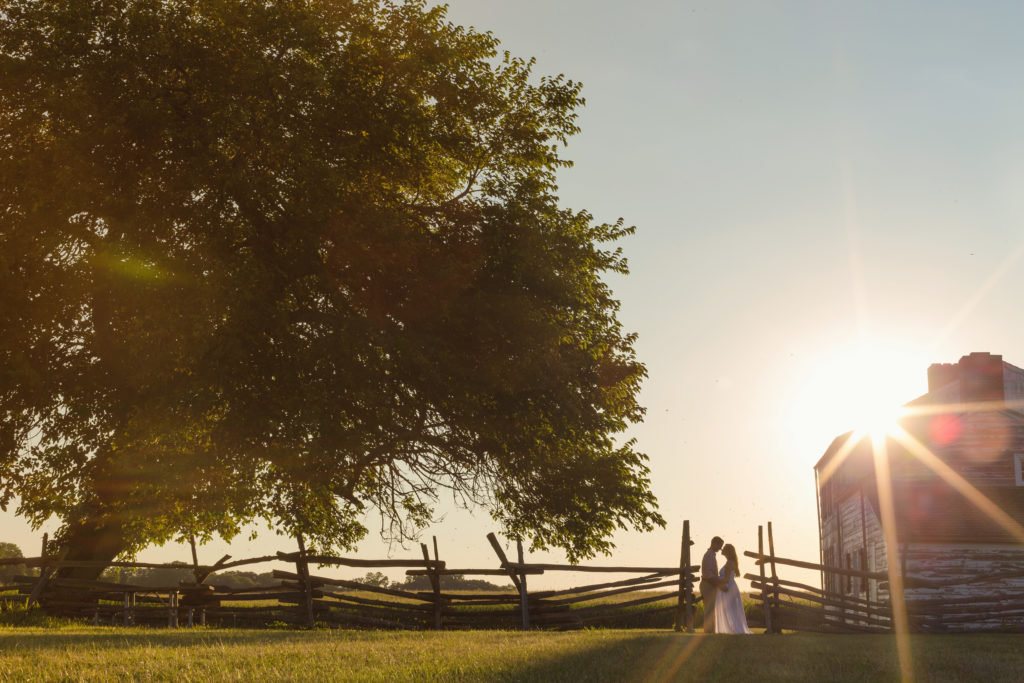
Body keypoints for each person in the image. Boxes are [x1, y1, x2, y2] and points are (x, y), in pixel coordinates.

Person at [714, 543, 753, 634]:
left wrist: (716, 581)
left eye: (724, 549)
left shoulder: (730, 563)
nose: (721, 550)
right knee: (729, 608)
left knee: (729, 608)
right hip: (728, 585)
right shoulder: (729, 562)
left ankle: (734, 629)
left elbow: (726, 579)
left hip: (728, 587)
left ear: (728, 551)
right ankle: (730, 628)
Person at [699, 536, 727, 633]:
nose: (720, 548)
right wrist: (720, 585)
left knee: (710, 608)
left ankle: (710, 630)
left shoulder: (711, 555)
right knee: (709, 608)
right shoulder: (709, 556)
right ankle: (709, 630)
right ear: (714, 543)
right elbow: (709, 575)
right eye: (720, 545)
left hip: (710, 584)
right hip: (708, 584)